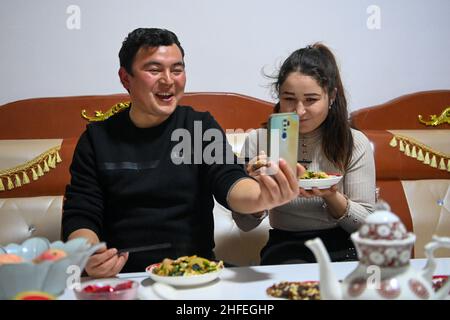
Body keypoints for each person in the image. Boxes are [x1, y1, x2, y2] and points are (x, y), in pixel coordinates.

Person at [62, 28, 301, 277]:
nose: (168, 80)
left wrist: (265, 194)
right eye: (154, 70)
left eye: (177, 70)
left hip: (194, 273)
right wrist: (88, 255)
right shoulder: (97, 139)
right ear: (126, 78)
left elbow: (230, 181)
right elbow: (81, 214)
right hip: (124, 276)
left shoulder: (198, 128)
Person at [233, 43, 376, 265]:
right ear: (279, 95)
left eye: (311, 100)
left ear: (331, 96)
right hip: (285, 244)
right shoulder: (258, 140)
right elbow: (244, 224)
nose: (299, 111)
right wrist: (259, 191)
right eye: (289, 98)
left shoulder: (354, 143)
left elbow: (367, 225)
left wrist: (330, 195)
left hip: (343, 243)